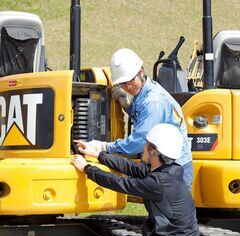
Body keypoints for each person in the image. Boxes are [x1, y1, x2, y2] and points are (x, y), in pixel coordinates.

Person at [74, 48, 193, 189]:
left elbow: (138, 142)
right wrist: (128, 106)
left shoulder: (153, 102)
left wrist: (103, 147)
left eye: (130, 80)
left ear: (141, 71)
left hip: (173, 167)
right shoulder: (146, 92)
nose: (127, 86)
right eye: (123, 83)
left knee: (169, 209)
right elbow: (146, 118)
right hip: (163, 164)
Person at [72, 123, 200, 236]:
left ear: (153, 151)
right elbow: (130, 167)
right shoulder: (169, 171)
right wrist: (97, 154)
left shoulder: (159, 182)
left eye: (146, 144)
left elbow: (120, 183)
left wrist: (87, 168)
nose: (143, 147)